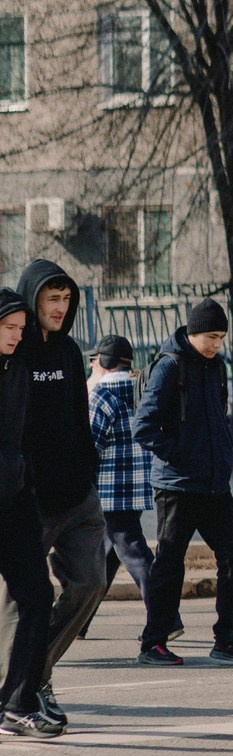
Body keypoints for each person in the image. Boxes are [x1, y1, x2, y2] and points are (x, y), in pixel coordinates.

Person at [0, 259, 106, 730]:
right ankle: (17, 693)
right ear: (32, 298)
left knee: (90, 582)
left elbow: (79, 420)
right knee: (23, 598)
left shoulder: (69, 352)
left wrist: (89, 470)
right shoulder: (17, 352)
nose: (61, 308)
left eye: (67, 299)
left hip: (78, 493)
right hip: (31, 496)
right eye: (52, 299)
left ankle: (34, 675)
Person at [134, 298, 233, 666]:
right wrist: (181, 455)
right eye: (212, 337)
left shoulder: (216, 367)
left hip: (214, 484)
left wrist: (220, 459)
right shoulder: (170, 367)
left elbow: (219, 415)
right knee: (169, 563)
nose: (217, 345)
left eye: (221, 338)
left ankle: (228, 640)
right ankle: (154, 642)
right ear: (194, 332)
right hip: (177, 485)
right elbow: (144, 427)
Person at [82, 334, 176, 641]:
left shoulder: (101, 395)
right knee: (107, 556)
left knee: (133, 551)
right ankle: (79, 621)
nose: (90, 367)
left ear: (102, 363)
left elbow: (89, 447)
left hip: (108, 489)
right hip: (137, 485)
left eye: (92, 361)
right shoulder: (142, 392)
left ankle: (167, 618)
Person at [0, 289, 63, 739]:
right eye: (9, 328)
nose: (18, 336)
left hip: (16, 499)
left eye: (21, 329)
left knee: (37, 595)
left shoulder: (18, 367)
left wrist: (26, 474)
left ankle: (17, 703)